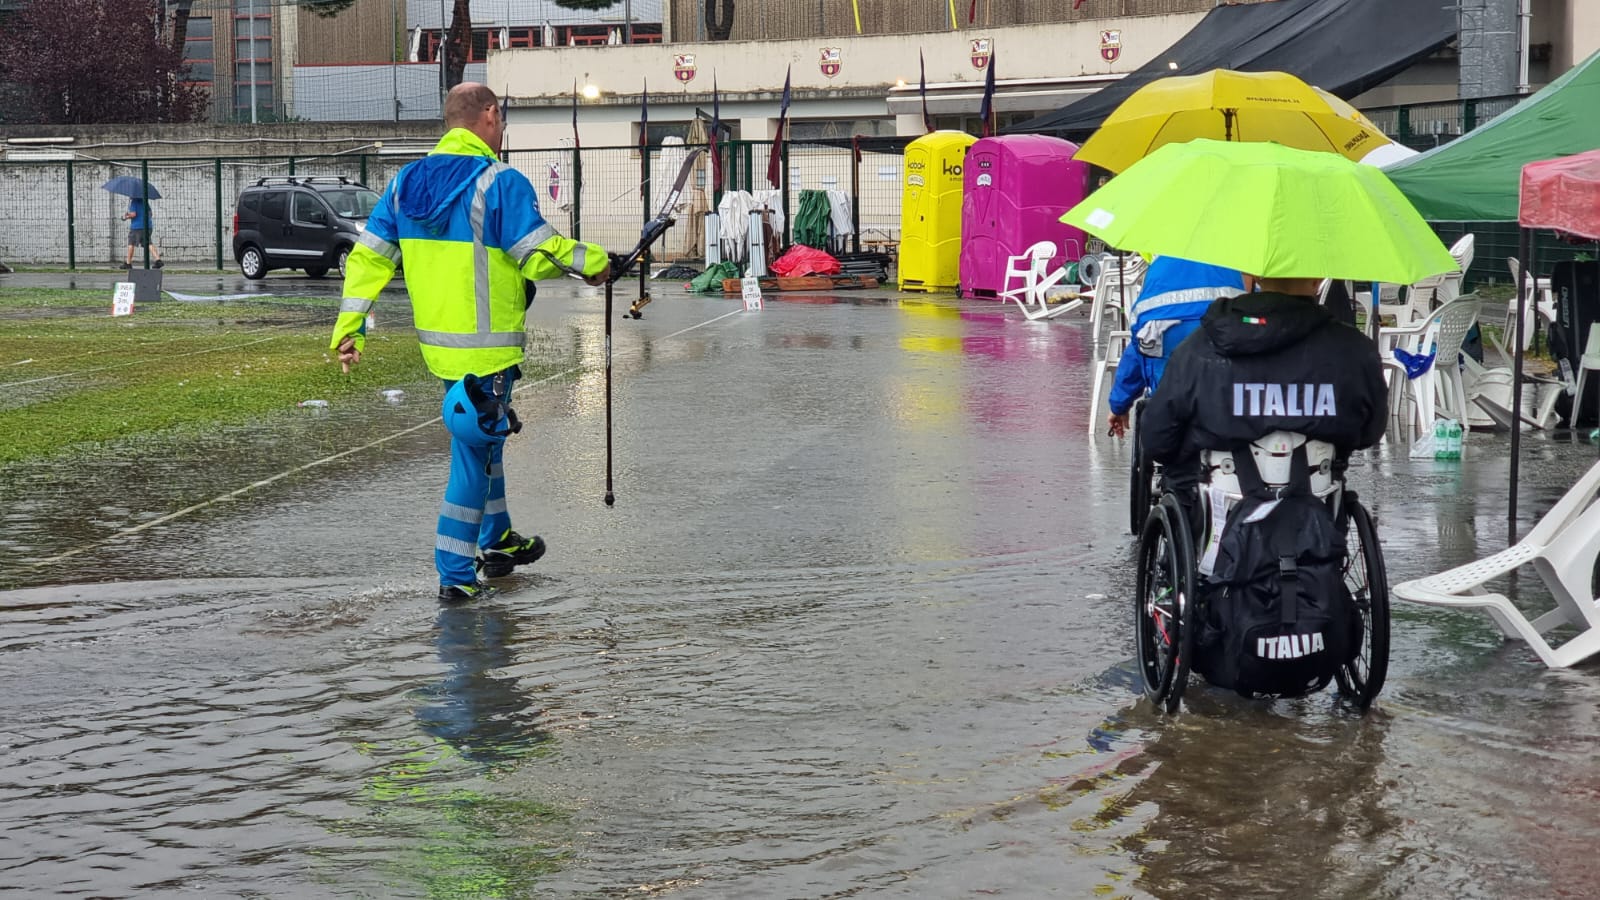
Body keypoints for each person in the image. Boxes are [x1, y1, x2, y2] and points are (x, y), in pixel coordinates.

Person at [329, 82, 611, 603]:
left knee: (483, 442)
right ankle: (456, 575)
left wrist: (350, 329)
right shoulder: (498, 182)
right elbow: (537, 252)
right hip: (488, 352)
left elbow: (368, 257)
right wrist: (598, 263)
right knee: (471, 462)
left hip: (442, 350)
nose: (502, 130)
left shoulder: (406, 183)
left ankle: (498, 540)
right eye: (501, 120)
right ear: (489, 114)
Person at [1139, 275, 1389, 495]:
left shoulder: (1197, 350)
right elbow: (1369, 431)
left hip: (1217, 501)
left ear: (1256, 277)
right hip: (1318, 498)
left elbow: (1158, 439)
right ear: (1317, 279)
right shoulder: (1355, 351)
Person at [1106, 256, 1246, 438]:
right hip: (1227, 400)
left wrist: (1119, 405)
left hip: (1169, 405)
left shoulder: (1158, 270)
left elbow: (1138, 348)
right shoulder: (1231, 265)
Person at [122, 196, 163, 269]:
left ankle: (128, 263)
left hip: (137, 227)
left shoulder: (134, 202)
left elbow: (133, 214)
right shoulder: (145, 201)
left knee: (131, 243)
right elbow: (150, 213)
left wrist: (126, 216)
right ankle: (158, 260)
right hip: (148, 226)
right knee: (148, 243)